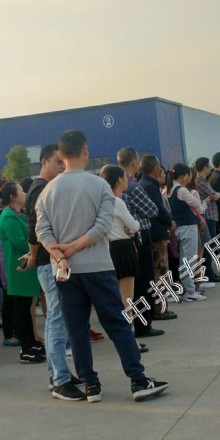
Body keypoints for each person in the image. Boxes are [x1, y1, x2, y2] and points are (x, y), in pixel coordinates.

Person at [36, 130, 168, 402]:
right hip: (96, 266)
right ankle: (138, 380)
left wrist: (61, 254)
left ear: (60, 154)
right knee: (117, 324)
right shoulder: (99, 186)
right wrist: (76, 247)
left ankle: (91, 385)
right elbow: (102, 227)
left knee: (77, 329)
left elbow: (42, 231)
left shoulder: (47, 191)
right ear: (85, 150)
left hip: (65, 272)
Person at [25, 144, 84, 398]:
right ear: (43, 163)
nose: (62, 166)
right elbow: (34, 229)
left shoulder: (45, 187)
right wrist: (34, 255)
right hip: (50, 262)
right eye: (57, 162)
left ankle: (57, 373)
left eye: (63, 162)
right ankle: (60, 379)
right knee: (58, 318)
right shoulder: (41, 189)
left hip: (50, 260)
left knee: (56, 318)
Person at [100, 165, 148, 354]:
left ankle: (126, 339)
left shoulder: (101, 200)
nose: (127, 180)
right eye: (125, 177)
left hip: (108, 249)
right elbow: (134, 226)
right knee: (127, 300)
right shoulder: (117, 201)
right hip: (123, 249)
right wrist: (130, 227)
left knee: (117, 299)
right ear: (119, 179)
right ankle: (130, 341)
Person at [116, 147, 164, 338]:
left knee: (131, 287)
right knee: (144, 282)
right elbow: (152, 210)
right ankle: (144, 324)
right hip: (140, 235)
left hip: (123, 238)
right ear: (134, 162)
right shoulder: (133, 186)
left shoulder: (113, 186)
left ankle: (136, 323)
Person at [0, 181, 44, 364]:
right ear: (12, 197)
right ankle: (26, 349)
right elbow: (20, 242)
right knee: (21, 309)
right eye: (21, 191)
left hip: (27, 265)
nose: (25, 193)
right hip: (18, 267)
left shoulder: (21, 214)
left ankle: (31, 344)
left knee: (26, 308)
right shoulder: (8, 217)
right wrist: (35, 244)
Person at [138, 155, 176, 321]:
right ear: (154, 168)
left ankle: (157, 307)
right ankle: (159, 309)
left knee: (157, 272)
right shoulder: (149, 186)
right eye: (159, 167)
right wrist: (169, 221)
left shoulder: (143, 184)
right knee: (160, 272)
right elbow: (158, 210)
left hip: (151, 234)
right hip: (156, 235)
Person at [167, 164, 206, 301]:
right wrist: (195, 195)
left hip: (178, 228)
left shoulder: (169, 189)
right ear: (184, 176)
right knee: (189, 260)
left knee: (183, 260)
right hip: (188, 228)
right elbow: (198, 206)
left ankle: (187, 289)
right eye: (189, 175)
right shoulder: (182, 190)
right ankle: (190, 291)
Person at [194, 157, 220, 283]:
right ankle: (208, 273)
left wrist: (217, 195)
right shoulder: (199, 181)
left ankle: (209, 272)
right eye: (209, 167)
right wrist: (217, 194)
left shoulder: (204, 181)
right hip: (207, 216)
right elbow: (214, 195)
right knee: (208, 246)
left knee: (209, 245)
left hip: (211, 216)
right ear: (205, 168)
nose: (210, 169)